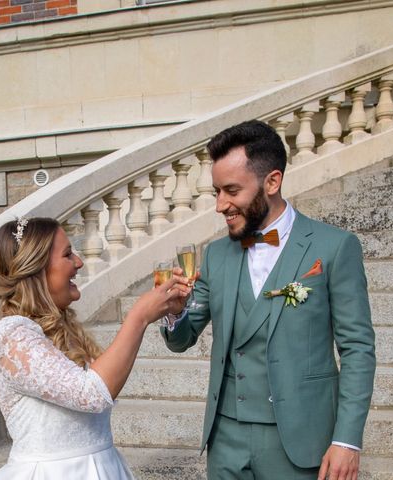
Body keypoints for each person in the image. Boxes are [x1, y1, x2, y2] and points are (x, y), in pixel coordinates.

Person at [161, 120, 376, 480]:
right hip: (225, 442)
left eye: (231, 190)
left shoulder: (334, 247)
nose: (220, 205)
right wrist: (174, 314)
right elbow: (182, 340)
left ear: (272, 182)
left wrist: (347, 441)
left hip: (300, 442)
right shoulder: (215, 255)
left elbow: (357, 348)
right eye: (216, 191)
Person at [0, 217, 188, 479]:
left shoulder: (60, 328)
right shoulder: (11, 337)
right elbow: (91, 394)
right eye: (68, 254)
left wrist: (168, 310)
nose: (79, 262)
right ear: (35, 269)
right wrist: (139, 317)